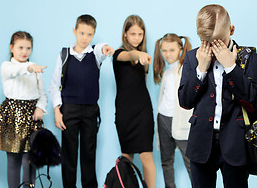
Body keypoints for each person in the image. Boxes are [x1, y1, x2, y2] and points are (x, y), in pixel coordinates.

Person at [178, 4, 257, 188]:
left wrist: (231, 68)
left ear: (231, 30)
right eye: (206, 42)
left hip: (235, 143)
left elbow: (255, 102)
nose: (212, 48)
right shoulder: (193, 57)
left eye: (218, 42)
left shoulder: (252, 59)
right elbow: (185, 101)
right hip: (200, 142)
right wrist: (201, 69)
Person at [49, 14, 114, 188]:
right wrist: (57, 111)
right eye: (82, 33)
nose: (85, 38)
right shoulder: (64, 55)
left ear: (93, 35)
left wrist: (105, 47)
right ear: (75, 31)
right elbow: (54, 85)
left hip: (90, 111)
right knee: (69, 154)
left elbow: (101, 49)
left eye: (89, 34)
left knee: (89, 154)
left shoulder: (95, 54)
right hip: (68, 110)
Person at [0, 31, 47, 188]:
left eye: (28, 48)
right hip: (12, 115)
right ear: (11, 48)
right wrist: (30, 67)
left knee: (30, 159)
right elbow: (17, 71)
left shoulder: (36, 69)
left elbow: (42, 94)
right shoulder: (7, 66)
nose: (24, 52)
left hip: (32, 117)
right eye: (21, 47)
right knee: (13, 160)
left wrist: (40, 107)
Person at [112, 15, 156, 188]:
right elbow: (130, 54)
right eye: (133, 34)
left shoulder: (144, 60)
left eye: (140, 34)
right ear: (125, 34)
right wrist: (140, 54)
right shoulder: (118, 54)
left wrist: (143, 58)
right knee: (126, 157)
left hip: (143, 111)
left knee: (146, 156)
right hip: (124, 112)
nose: (137, 38)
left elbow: (142, 85)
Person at [153, 33, 193, 188]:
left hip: (181, 121)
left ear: (180, 49)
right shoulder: (167, 72)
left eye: (171, 50)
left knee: (190, 162)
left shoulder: (186, 70)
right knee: (166, 161)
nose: (167, 54)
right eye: (164, 50)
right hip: (163, 118)